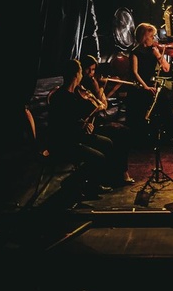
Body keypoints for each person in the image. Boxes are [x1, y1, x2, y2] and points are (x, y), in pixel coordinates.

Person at [47, 59, 133, 198]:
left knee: (108, 143)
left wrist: (85, 123)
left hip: (77, 135)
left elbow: (76, 118)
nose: (82, 75)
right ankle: (74, 183)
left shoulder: (72, 94)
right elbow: (63, 126)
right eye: (81, 72)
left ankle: (96, 181)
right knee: (98, 157)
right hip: (66, 141)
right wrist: (82, 125)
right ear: (76, 74)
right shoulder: (62, 97)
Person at [126, 22, 173, 147]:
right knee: (163, 101)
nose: (154, 39)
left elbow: (167, 68)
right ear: (144, 37)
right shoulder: (135, 52)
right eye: (152, 36)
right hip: (140, 86)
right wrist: (145, 86)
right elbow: (135, 72)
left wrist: (158, 55)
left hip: (152, 84)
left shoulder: (153, 51)